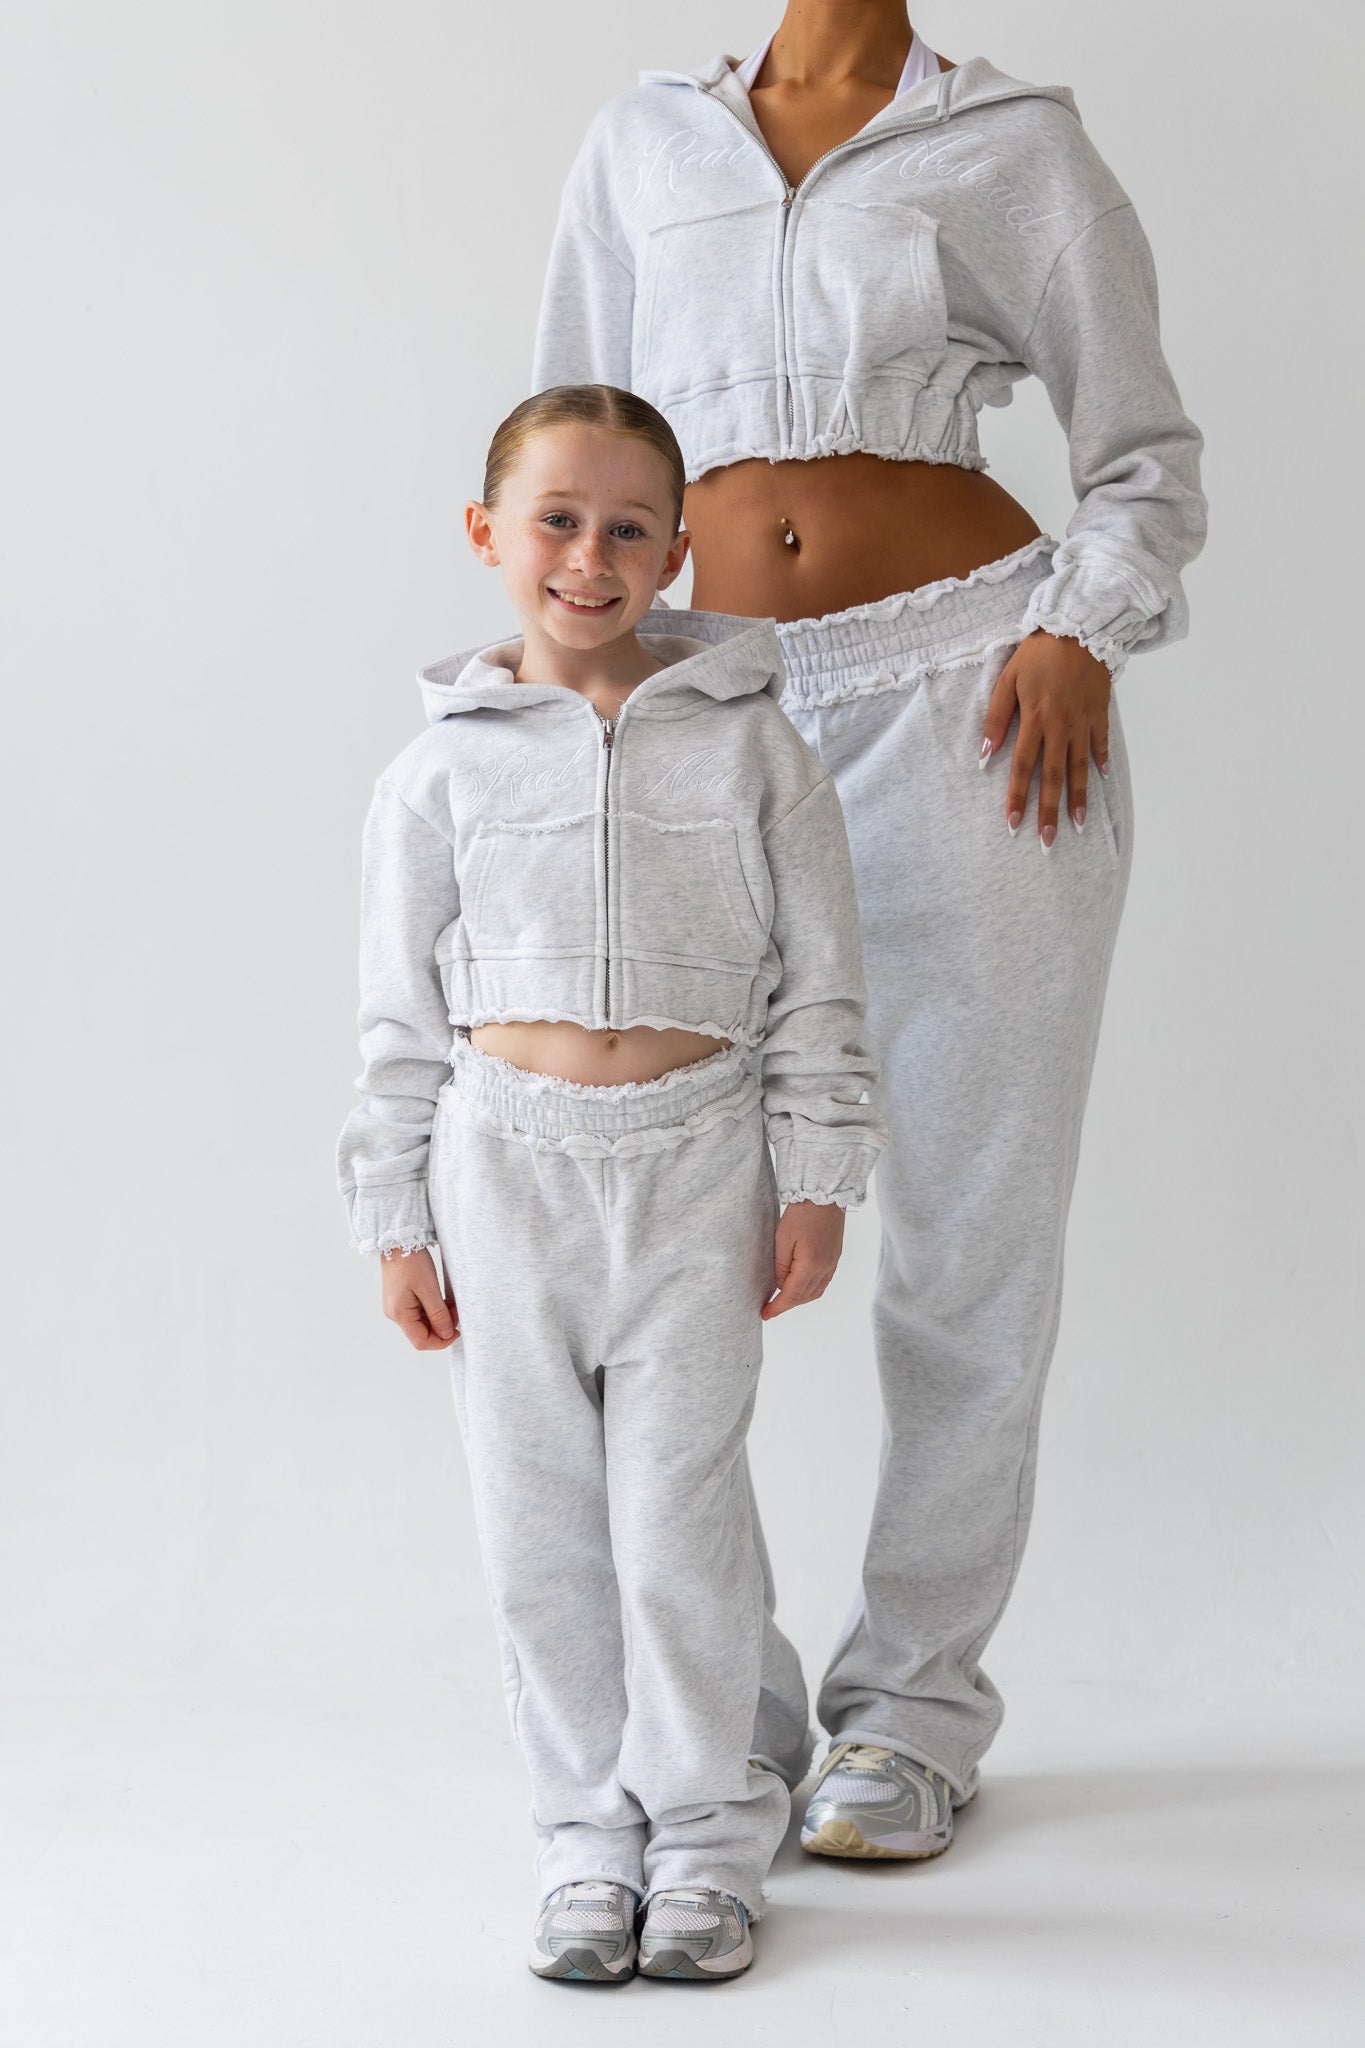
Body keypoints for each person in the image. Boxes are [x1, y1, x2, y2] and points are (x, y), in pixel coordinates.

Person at [533, 6, 1207, 1859]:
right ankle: (724, 1702)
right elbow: (570, 457)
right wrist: (576, 721)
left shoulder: (1014, 145)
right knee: (666, 1232)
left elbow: (1141, 454)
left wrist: (1077, 627)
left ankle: (912, 1706)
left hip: (971, 706)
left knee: (969, 1226)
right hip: (706, 721)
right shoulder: (642, 146)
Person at [336, 384, 885, 1980]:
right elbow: (395, 1020)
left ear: (676, 550)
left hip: (698, 1176)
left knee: (673, 1534)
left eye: (628, 528)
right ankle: (586, 1839)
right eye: (557, 522)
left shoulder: (756, 750)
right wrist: (394, 1215)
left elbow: (822, 984)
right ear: (487, 535)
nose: (589, 558)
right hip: (500, 1184)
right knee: (541, 1536)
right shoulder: (433, 777)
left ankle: (707, 1836)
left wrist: (815, 1175)